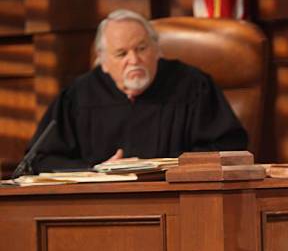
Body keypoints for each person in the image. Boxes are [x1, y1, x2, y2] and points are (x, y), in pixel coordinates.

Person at [26, 9, 247, 173]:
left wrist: (163, 168)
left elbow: (228, 147)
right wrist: (94, 170)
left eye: (141, 49)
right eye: (121, 54)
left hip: (175, 200)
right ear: (102, 61)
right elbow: (40, 158)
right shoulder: (78, 96)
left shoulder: (192, 86)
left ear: (157, 49)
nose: (134, 60)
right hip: (100, 206)